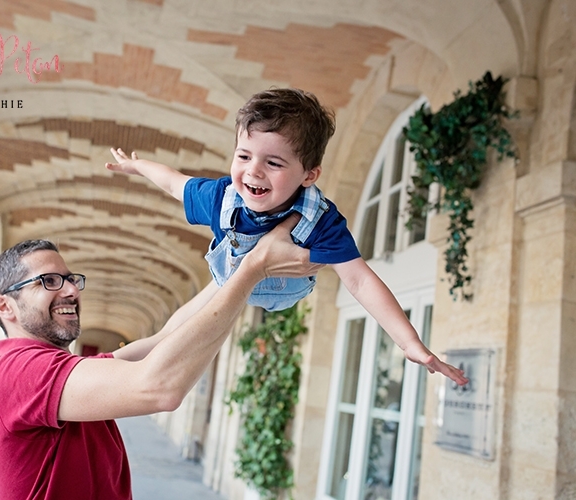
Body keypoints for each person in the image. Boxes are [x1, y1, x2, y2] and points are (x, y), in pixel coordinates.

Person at [106, 87, 468, 387]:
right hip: (228, 282)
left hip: (286, 291)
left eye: (273, 163)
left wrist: (410, 343)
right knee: (165, 337)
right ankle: (100, 365)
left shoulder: (322, 219)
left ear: (309, 175)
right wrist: (136, 166)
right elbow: (174, 181)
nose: (253, 171)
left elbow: (359, 281)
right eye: (244, 155)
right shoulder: (222, 198)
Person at [0, 216, 323, 499]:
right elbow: (160, 388)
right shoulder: (18, 371)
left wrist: (235, 268)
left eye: (70, 279)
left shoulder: (59, 369)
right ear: (5, 306)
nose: (70, 289)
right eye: (48, 281)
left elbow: (163, 340)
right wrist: (252, 271)